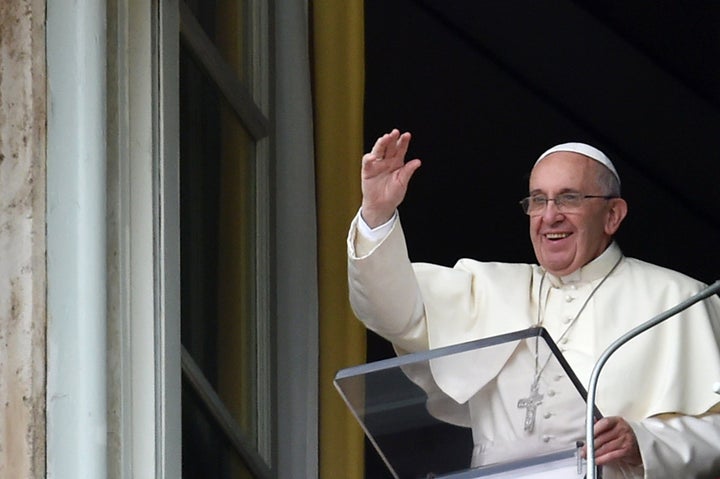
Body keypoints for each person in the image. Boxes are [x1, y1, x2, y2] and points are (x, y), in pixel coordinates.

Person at [347, 129, 720, 478]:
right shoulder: (488, 288)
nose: (549, 215)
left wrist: (646, 443)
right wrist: (377, 215)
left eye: (569, 198)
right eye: (538, 200)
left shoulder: (676, 299)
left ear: (612, 215)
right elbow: (391, 310)